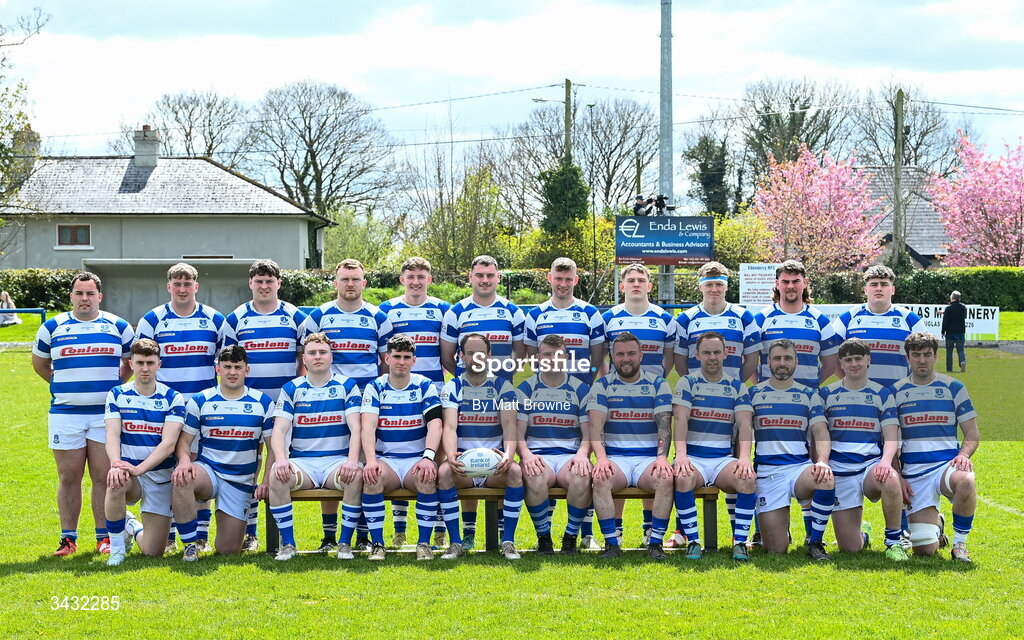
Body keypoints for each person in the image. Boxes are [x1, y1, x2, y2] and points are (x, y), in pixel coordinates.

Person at [32, 271, 134, 556]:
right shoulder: (53, 327)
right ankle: (68, 538)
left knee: (104, 477)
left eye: (90, 293)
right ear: (71, 296)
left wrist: (115, 387)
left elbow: (130, 363)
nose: (84, 298)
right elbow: (40, 364)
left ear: (99, 296)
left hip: (105, 416)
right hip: (65, 414)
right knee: (68, 477)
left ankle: (103, 536)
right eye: (79, 293)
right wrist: (64, 386)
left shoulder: (119, 326)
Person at [135, 263, 227, 552]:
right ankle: (173, 535)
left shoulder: (214, 319)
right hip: (164, 409)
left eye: (188, 284)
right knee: (168, 470)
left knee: (197, 467)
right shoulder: (153, 319)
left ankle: (199, 535)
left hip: (203, 410)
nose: (183, 289)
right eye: (177, 283)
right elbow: (143, 361)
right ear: (169, 287)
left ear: (196, 287)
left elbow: (224, 363)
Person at [224, 259, 315, 549]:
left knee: (279, 465)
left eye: (269, 281)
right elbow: (229, 362)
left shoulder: (295, 316)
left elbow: (305, 359)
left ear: (278, 283)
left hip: (284, 406)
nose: (264, 286)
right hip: (248, 405)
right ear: (251, 284)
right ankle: (251, 533)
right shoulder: (237, 318)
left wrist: (295, 395)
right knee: (250, 465)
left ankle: (280, 537)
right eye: (259, 281)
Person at [305, 258, 393, 550]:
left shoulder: (378, 317)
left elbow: (385, 363)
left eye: (356, 279)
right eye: (345, 279)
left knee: (367, 464)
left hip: (367, 403)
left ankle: (364, 535)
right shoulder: (320, 315)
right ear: (336, 283)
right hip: (330, 401)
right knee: (334, 460)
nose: (350, 284)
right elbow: (307, 357)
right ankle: (330, 536)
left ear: (364, 283)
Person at [673, 260, 759, 549]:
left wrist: (728, 385)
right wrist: (700, 388)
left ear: (726, 286)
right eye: (709, 284)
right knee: (685, 465)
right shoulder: (686, 318)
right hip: (699, 397)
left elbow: (751, 358)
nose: (714, 289)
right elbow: (679, 359)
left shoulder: (743, 316)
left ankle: (740, 535)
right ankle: (683, 533)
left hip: (732, 398)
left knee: (741, 463)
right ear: (700, 286)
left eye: (719, 283)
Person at [440, 255, 525, 542]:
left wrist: (495, 379)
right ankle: (467, 534)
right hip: (470, 390)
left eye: (490, 275)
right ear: (471, 277)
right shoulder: (456, 312)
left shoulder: (513, 312)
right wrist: (471, 380)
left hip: (499, 396)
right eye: (480, 275)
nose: (485, 279)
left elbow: (520, 353)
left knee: (502, 467)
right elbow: (446, 355)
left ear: (498, 277)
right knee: (467, 460)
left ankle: (504, 536)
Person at [170, 346, 275, 561]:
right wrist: (183, 461)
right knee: (183, 478)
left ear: (247, 370)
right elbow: (184, 442)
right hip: (209, 471)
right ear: (218, 369)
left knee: (228, 549)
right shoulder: (201, 400)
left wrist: (264, 481)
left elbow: (273, 448)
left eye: (238, 367)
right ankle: (190, 545)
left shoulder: (263, 403)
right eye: (227, 367)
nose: (232, 372)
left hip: (239, 480)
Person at [267, 333, 363, 561]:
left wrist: (351, 460)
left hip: (336, 461)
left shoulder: (347, 386)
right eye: (312, 353)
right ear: (304, 358)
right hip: (303, 463)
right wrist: (281, 460)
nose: (317, 357)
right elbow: (279, 430)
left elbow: (356, 428)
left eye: (322, 352)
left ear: (331, 357)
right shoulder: (292, 388)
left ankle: (344, 544)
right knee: (277, 476)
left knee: (355, 475)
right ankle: (288, 545)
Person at [379, 257, 452, 549]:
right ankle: (399, 530)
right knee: (399, 451)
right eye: (410, 276)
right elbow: (384, 355)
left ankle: (437, 529)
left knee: (433, 457)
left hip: (433, 392)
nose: (416, 281)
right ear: (402, 279)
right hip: (397, 392)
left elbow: (448, 353)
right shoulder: (387, 310)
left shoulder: (443, 309)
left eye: (422, 276)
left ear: (429, 279)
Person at [601, 264, 676, 545]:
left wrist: (652, 387)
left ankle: (649, 530)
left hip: (652, 398)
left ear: (649, 285)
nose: (635, 284)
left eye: (641, 279)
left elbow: (668, 359)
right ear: (622, 286)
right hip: (616, 399)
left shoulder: (663, 319)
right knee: (613, 461)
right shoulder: (608, 318)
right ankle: (616, 530)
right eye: (630, 280)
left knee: (653, 460)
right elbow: (601, 360)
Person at [437, 333, 524, 560]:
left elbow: (509, 426)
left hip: (494, 463)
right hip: (464, 464)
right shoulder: (452, 387)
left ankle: (508, 541)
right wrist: (450, 456)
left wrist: (508, 455)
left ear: (489, 355)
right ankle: (455, 543)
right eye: (469, 353)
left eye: (480, 353)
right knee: (444, 472)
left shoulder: (503, 386)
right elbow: (450, 427)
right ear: (461, 357)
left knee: (515, 472)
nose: (475, 358)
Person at [588, 332, 674, 560]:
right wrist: (602, 459)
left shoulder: (658, 384)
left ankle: (655, 544)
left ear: (641, 355)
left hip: (648, 458)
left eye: (631, 354)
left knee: (665, 478)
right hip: (616, 458)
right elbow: (595, 428)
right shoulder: (602, 386)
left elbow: (664, 426)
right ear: (612, 358)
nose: (626, 359)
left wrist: (662, 458)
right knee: (600, 478)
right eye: (620, 354)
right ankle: (611, 544)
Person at [893, 332, 979, 562]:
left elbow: (972, 434)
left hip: (945, 466)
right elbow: (889, 441)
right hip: (914, 474)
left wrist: (963, 455)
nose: (922, 360)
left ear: (936, 356)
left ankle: (960, 544)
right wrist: (898, 476)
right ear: (907, 358)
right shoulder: (895, 392)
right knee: (924, 550)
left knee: (966, 479)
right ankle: (937, 525)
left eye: (927, 355)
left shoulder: (954, 387)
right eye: (917, 355)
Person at [671, 331, 756, 562]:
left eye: (717, 352)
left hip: (722, 459)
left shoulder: (737, 386)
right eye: (706, 352)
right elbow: (680, 420)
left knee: (747, 479)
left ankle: (740, 542)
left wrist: (745, 459)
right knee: (683, 477)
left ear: (726, 354)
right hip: (695, 458)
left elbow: (745, 424)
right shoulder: (687, 382)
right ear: (697, 355)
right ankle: (693, 542)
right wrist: (681, 456)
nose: (712, 357)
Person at [748, 339, 835, 561]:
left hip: (799, 469)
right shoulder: (753, 394)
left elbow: (821, 432)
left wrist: (822, 461)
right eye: (777, 358)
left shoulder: (808, 394)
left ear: (796, 362)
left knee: (825, 478)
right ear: (767, 362)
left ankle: (815, 541)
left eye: (787, 358)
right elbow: (741, 432)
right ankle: (780, 530)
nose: (782, 363)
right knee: (776, 549)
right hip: (768, 473)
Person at [820, 338, 907, 560]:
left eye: (858, 358)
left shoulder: (882, 394)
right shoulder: (826, 394)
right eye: (848, 360)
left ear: (868, 360)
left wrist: (886, 463)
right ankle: (864, 534)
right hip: (840, 471)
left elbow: (890, 435)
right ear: (841, 363)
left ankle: (893, 542)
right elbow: (819, 435)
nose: (854, 364)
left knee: (889, 478)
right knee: (850, 548)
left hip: (870, 467)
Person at [360, 335, 444, 561]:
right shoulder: (375, 386)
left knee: (427, 477)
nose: (401, 362)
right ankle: (378, 544)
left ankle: (423, 544)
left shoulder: (425, 385)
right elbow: (367, 426)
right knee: (372, 477)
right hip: (386, 459)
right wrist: (370, 460)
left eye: (407, 357)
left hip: (415, 459)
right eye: (396, 356)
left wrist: (428, 458)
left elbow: (436, 425)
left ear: (414, 361)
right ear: (387, 358)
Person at [103, 338, 186, 565]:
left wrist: (139, 469)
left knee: (152, 552)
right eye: (140, 363)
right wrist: (117, 464)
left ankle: (131, 524)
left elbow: (169, 444)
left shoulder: (173, 397)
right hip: (131, 476)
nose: (145, 368)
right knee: (115, 479)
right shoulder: (118, 394)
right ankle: (117, 549)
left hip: (159, 477)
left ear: (159, 364)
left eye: (150, 362)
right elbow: (112, 435)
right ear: (131, 364)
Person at [518, 334, 593, 555]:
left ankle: (570, 537)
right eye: (547, 354)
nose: (552, 359)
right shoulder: (525, 388)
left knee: (581, 477)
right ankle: (544, 538)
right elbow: (517, 434)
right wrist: (527, 456)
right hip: (538, 454)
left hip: (570, 454)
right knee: (534, 477)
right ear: (538, 357)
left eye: (558, 354)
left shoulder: (581, 389)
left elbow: (589, 435)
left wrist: (581, 455)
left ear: (566, 357)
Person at [831, 265, 926, 389]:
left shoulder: (911, 320)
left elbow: (923, 359)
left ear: (893, 289)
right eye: (874, 284)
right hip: (860, 396)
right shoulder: (847, 319)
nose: (879, 288)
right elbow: (831, 357)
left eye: (884, 284)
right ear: (865, 289)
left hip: (900, 395)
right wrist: (851, 382)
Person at [525, 257, 605, 386]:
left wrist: (589, 380)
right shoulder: (535, 315)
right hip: (545, 392)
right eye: (558, 279)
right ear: (550, 278)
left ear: (576, 280)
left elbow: (597, 359)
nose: (563, 284)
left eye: (568, 279)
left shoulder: (590, 313)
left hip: (581, 392)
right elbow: (534, 360)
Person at [941, 290, 967, 373]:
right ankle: (962, 362)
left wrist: (943, 331)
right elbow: (964, 316)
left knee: (949, 351)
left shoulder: (948, 308)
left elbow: (945, 321)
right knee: (961, 350)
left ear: (952, 298)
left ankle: (949, 368)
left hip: (950, 332)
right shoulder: (963, 307)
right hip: (960, 331)